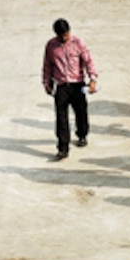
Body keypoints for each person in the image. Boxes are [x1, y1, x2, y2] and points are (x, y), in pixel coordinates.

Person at [42, 19, 98, 161]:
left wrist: (92, 79)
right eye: (61, 36)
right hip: (61, 85)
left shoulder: (78, 43)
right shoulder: (51, 46)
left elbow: (88, 61)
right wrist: (46, 83)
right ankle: (63, 148)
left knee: (80, 112)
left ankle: (82, 134)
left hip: (77, 84)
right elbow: (47, 65)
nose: (64, 38)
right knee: (61, 118)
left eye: (66, 35)